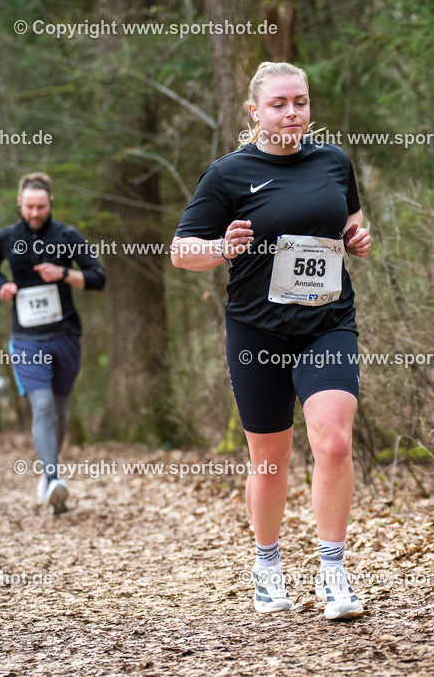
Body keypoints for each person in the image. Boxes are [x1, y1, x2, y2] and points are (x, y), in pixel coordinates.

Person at [171, 61, 373, 620]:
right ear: (255, 111)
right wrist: (223, 248)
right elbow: (182, 251)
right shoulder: (228, 175)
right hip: (256, 329)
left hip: (327, 323)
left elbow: (351, 215)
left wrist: (358, 235)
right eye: (280, 103)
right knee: (270, 459)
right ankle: (267, 565)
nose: (292, 112)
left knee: (332, 440)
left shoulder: (333, 160)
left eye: (301, 102)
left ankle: (333, 573)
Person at [0, 172, 105, 515]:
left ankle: (51, 468)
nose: (35, 213)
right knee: (43, 406)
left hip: (64, 334)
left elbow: (98, 277)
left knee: (61, 411)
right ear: (20, 203)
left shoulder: (67, 236)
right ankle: (51, 479)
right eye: (29, 206)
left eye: (41, 206)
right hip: (26, 338)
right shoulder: (5, 238)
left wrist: (63, 273)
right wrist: (1, 286)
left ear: (51, 203)